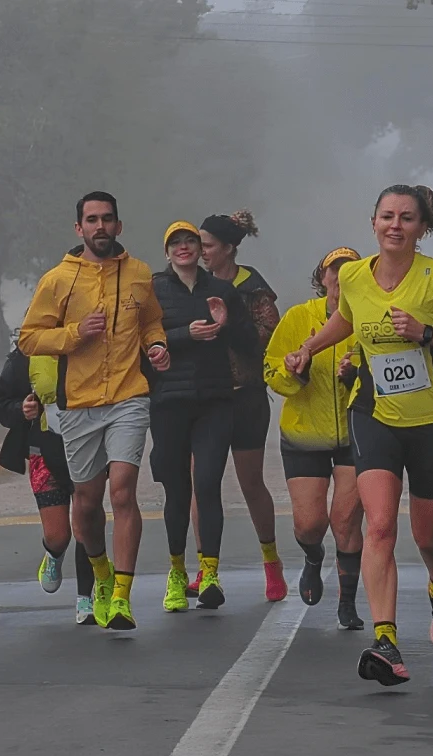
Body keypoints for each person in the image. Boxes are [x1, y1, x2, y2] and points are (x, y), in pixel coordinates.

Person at [285, 184, 433, 687]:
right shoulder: (353, 275)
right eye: (386, 216)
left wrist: (426, 333)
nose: (395, 225)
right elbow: (345, 319)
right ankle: (386, 641)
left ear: (421, 228)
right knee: (378, 527)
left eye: (406, 218)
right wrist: (309, 348)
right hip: (374, 415)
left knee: (428, 537)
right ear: (373, 223)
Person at [18, 191, 169, 630]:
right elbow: (29, 338)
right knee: (86, 501)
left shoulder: (140, 273)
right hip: (79, 403)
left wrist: (156, 347)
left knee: (122, 490)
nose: (99, 226)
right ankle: (99, 572)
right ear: (78, 228)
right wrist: (74, 334)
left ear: (118, 226)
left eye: (107, 219)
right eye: (91, 219)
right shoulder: (57, 279)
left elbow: (151, 322)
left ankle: (121, 596)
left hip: (129, 396)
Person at [150, 222, 258, 611]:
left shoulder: (222, 291)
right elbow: (141, 340)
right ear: (167, 253)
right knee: (177, 490)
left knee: (208, 483)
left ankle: (210, 572)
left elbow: (251, 346)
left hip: (215, 400)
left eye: (190, 242)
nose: (183, 248)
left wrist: (226, 324)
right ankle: (177, 572)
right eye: (175, 243)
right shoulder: (154, 290)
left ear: (200, 249)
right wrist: (182, 336)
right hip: (169, 403)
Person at [264, 247, 365, 630]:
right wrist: (295, 369)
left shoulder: (370, 316)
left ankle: (348, 603)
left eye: (349, 269)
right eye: (333, 270)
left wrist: (356, 375)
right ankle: (311, 557)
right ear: (322, 278)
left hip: (357, 432)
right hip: (305, 432)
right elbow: (270, 369)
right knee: (310, 524)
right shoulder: (298, 317)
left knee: (346, 522)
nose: (340, 276)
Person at [191, 209, 287, 603]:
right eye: (198, 245)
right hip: (204, 396)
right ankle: (206, 568)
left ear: (229, 248)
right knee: (201, 483)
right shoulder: (190, 284)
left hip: (245, 394)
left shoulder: (254, 288)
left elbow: (271, 336)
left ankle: (271, 562)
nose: (200, 253)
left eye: (208, 246)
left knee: (250, 483)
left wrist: (230, 325)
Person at [0, 346, 98, 625]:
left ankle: (85, 599)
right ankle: (53, 553)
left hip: (84, 445)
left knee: (85, 525)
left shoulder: (85, 347)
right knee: (59, 534)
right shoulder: (24, 357)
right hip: (43, 449)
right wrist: (21, 409)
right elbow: (2, 406)